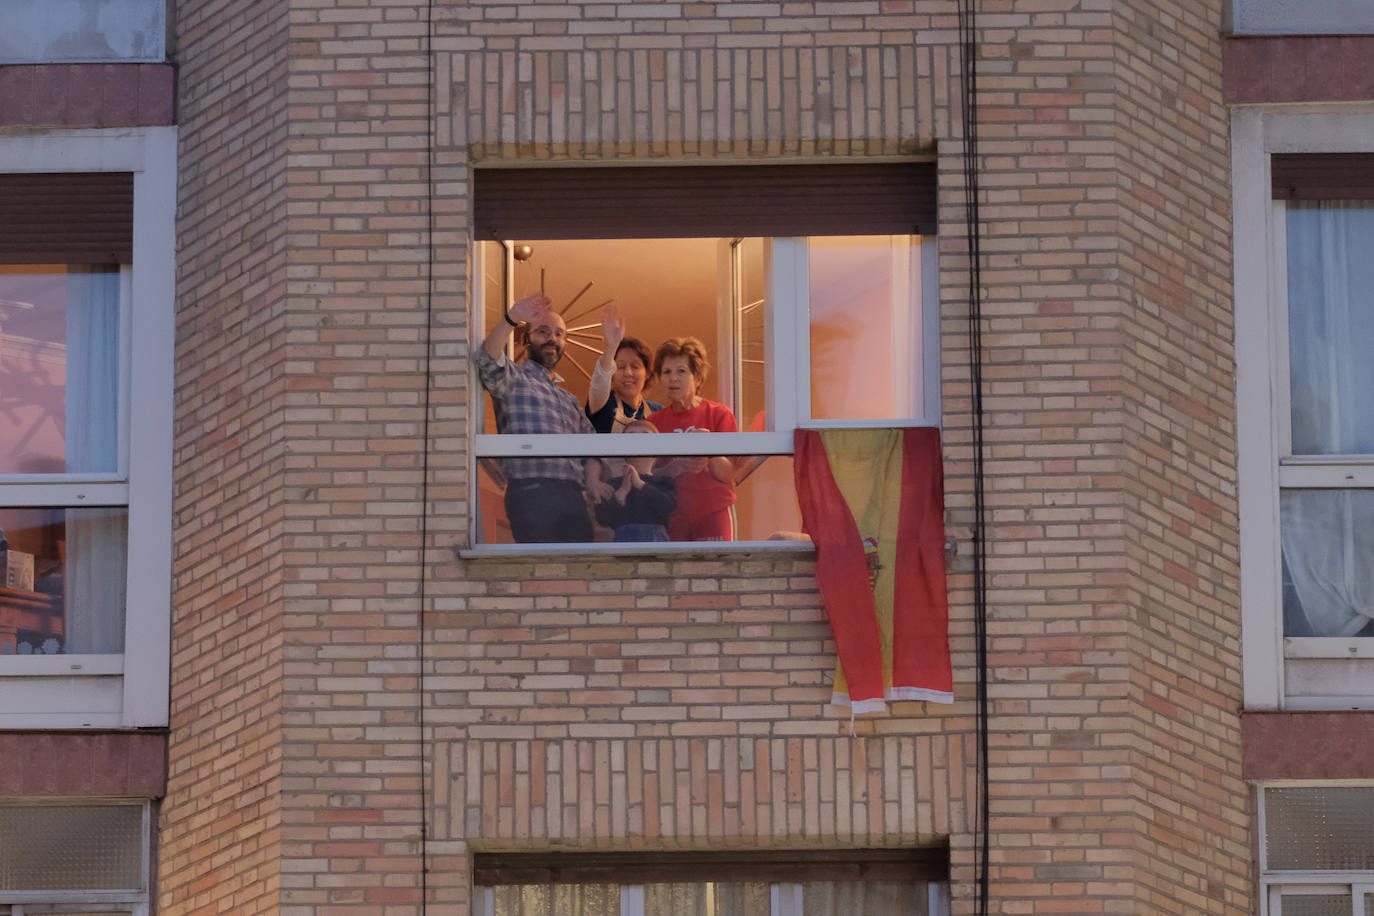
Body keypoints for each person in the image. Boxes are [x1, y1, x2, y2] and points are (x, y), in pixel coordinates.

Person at [474, 292, 608, 542]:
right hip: (532, 490)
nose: (552, 339)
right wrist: (513, 316)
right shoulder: (514, 378)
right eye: (544, 331)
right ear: (527, 339)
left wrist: (592, 481)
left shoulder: (569, 399)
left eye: (559, 334)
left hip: (573, 498)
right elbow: (487, 358)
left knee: (579, 574)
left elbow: (593, 447)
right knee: (543, 571)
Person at [647, 336, 738, 541]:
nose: (673, 379)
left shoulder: (719, 414)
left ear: (697, 378)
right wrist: (678, 466)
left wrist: (709, 449)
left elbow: (729, 474)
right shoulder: (654, 422)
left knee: (717, 571)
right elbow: (649, 476)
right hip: (671, 516)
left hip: (713, 512)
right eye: (666, 372)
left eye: (681, 371)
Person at [593, 420, 677, 542]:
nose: (638, 440)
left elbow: (668, 507)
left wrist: (640, 484)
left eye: (645, 436)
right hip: (624, 543)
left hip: (656, 543)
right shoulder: (614, 484)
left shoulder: (663, 482)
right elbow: (603, 518)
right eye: (631, 436)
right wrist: (622, 492)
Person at [585, 304, 662, 433]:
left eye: (635, 366)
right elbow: (599, 382)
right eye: (620, 367)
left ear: (648, 373)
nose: (628, 373)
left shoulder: (658, 411)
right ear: (612, 373)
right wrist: (612, 346)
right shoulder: (603, 404)